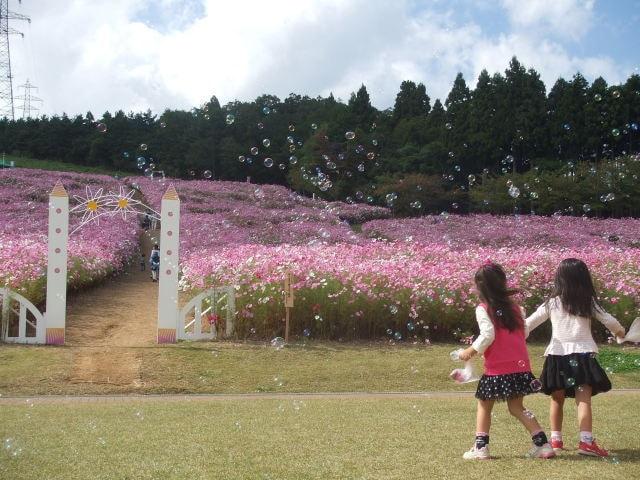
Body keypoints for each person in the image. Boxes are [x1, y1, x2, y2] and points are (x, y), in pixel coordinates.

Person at [525, 258, 625, 457]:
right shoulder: (588, 302)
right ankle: (586, 442)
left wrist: (513, 335)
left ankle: (555, 440)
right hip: (582, 357)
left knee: (556, 399)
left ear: (559, 279)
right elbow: (610, 321)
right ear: (584, 278)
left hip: (557, 357)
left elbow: (529, 323)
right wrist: (620, 332)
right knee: (583, 400)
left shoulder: (552, 303)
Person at [458, 261, 555, 460]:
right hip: (519, 367)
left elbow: (488, 334)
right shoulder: (516, 308)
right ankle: (543, 445)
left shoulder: (483, 308)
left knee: (484, 405)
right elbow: (524, 332)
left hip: (497, 368)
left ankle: (480, 448)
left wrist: (471, 350)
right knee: (517, 408)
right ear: (502, 283)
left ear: (481, 286)